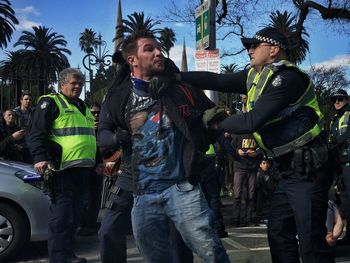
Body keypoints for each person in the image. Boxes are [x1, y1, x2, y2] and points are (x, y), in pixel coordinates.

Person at [165, 26, 335, 262]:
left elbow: (251, 121)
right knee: (278, 234)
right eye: (248, 46)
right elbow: (218, 80)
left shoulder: (287, 78)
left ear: (274, 49)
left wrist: (215, 124)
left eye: (255, 45)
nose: (249, 50)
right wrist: (178, 77)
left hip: (307, 169)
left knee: (311, 242)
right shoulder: (256, 76)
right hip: (286, 170)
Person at [100, 32, 229, 262]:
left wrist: (207, 127)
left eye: (159, 48)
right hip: (140, 188)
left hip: (181, 186)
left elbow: (211, 116)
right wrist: (117, 138)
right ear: (132, 60)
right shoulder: (118, 96)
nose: (158, 52)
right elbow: (102, 135)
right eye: (149, 49)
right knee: (150, 253)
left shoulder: (180, 88)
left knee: (209, 248)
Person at [28, 68, 96, 263]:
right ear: (62, 84)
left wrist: (98, 161)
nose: (77, 87)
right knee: (62, 216)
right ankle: (59, 258)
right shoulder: (50, 102)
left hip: (83, 169)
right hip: (61, 169)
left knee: (75, 215)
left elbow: (90, 136)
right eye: (74, 83)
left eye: (80, 84)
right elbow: (36, 133)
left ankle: (67, 254)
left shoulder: (82, 106)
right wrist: (40, 157)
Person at [77, 102, 104, 236]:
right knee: (86, 198)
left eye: (98, 113)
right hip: (85, 167)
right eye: (93, 113)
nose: (96, 115)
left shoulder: (103, 128)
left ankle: (91, 223)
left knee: (96, 196)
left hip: (98, 166)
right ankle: (84, 224)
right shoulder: (84, 126)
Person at [329, 89, 350, 246]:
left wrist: (335, 144)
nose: (336, 102)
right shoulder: (334, 120)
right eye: (334, 100)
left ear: (347, 100)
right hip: (339, 164)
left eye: (340, 99)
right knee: (344, 199)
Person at [230, 133, 261, 227]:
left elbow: (262, 149)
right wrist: (237, 151)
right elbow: (230, 148)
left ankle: (249, 218)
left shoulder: (256, 135)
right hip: (240, 167)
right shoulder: (238, 134)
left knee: (251, 195)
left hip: (252, 167)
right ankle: (236, 219)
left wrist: (255, 153)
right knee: (237, 194)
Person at [13, 91, 34, 163]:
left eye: (30, 100)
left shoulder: (34, 112)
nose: (28, 101)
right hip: (18, 141)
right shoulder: (14, 113)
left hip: (30, 141)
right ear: (21, 100)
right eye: (26, 99)